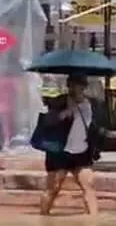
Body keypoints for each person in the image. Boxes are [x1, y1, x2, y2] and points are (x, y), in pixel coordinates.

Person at [39, 74, 115, 216]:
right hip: (60, 154)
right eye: (71, 85)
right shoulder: (59, 102)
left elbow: (96, 127)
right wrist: (66, 112)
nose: (74, 89)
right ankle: (43, 216)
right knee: (52, 189)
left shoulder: (93, 104)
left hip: (81, 153)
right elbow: (47, 122)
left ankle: (94, 223)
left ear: (84, 87)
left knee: (89, 186)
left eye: (77, 86)